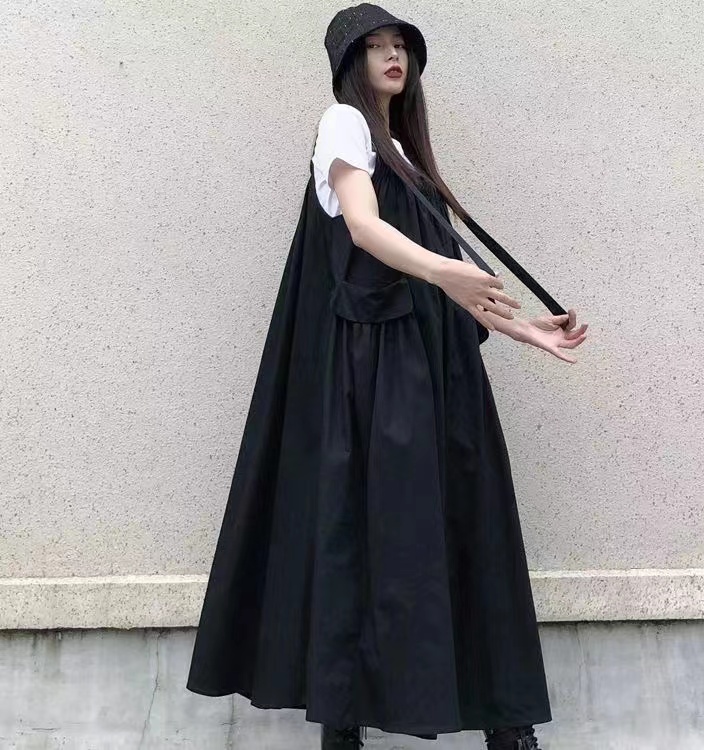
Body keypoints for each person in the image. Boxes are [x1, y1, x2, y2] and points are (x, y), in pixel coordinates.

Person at [186, 4, 588, 750]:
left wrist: (528, 330)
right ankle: (346, 726)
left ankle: (507, 726)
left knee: (467, 529)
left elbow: (458, 279)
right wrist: (444, 273)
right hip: (374, 372)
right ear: (350, 63)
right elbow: (364, 227)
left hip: (437, 369)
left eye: (400, 45)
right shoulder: (344, 123)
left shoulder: (405, 151)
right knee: (369, 531)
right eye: (375, 47)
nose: (392, 56)